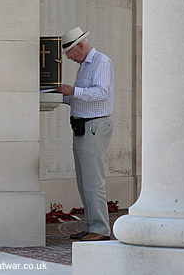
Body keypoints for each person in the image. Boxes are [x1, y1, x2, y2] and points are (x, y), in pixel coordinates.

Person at [58, 27, 114, 241]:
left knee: (93, 181)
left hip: (94, 127)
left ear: (80, 46)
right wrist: (58, 96)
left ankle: (100, 229)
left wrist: (72, 91)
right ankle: (92, 226)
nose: (69, 58)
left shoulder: (101, 62)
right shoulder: (85, 66)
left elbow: (101, 93)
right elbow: (82, 98)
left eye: (70, 53)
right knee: (84, 182)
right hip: (83, 127)